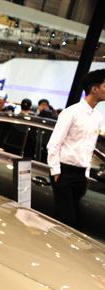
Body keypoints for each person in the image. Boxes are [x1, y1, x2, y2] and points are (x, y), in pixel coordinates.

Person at [46, 69, 105, 228]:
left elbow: (89, 148)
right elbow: (54, 143)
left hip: (81, 175)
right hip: (64, 172)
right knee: (68, 222)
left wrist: (86, 174)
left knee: (62, 219)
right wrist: (56, 171)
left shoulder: (97, 117)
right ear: (94, 89)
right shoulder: (71, 112)